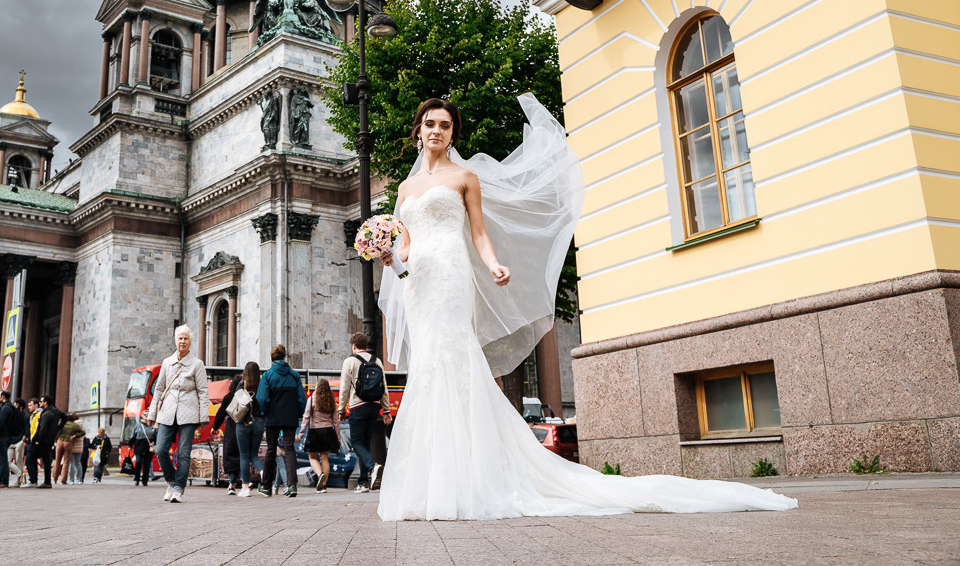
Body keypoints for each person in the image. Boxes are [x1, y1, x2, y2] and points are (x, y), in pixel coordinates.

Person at [374, 95, 798, 521]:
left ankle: (467, 481)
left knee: (454, 360)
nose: (436, 131)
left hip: (450, 275)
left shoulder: (465, 177)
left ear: (452, 134)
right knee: (428, 368)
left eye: (445, 125)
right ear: (418, 129)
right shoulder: (407, 190)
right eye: (430, 123)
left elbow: (480, 234)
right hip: (420, 286)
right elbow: (406, 247)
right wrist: (388, 257)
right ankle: (433, 484)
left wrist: (493, 264)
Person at [145, 324, 208, 504]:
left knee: (183, 453)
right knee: (160, 449)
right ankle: (171, 481)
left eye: (186, 339)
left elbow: (203, 391)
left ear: (190, 342)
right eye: (180, 338)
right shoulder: (167, 362)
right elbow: (159, 389)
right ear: (175, 340)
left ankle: (179, 488)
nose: (182, 342)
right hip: (167, 412)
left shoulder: (197, 364)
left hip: (189, 413)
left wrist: (203, 416)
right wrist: (152, 414)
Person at [338, 333, 388, 493]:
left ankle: (373, 466)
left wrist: (341, 409)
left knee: (357, 442)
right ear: (366, 345)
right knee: (365, 443)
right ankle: (363, 482)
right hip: (374, 406)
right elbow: (384, 387)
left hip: (357, 406)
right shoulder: (377, 361)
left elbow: (344, 387)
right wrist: (386, 409)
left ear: (353, 345)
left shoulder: (349, 361)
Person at [255, 344, 305, 498]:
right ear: (284, 358)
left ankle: (266, 486)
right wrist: (298, 413)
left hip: (272, 418)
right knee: (290, 449)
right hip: (290, 417)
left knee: (271, 450)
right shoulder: (294, 376)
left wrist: (264, 412)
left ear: (272, 359)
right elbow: (302, 399)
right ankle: (292, 485)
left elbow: (261, 398)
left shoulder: (268, 376)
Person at [300, 378, 340, 493]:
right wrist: (338, 438)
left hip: (315, 432)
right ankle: (323, 486)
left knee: (312, 457)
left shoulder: (312, 399)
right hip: (328, 431)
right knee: (325, 458)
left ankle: (320, 474)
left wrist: (301, 433)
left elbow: (306, 417)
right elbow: (336, 422)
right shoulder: (331, 401)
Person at [233, 362, 264, 498]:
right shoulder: (262, 384)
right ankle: (263, 473)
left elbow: (236, 401)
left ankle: (245, 487)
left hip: (243, 422)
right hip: (259, 421)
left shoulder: (241, 384)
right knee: (254, 454)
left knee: (244, 455)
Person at [32, 395, 66, 488]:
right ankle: (45, 481)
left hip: (43, 439)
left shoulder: (46, 413)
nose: (40, 403)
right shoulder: (56, 411)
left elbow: (42, 429)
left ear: (45, 403)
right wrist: (58, 428)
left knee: (38, 459)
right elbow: (65, 417)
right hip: (50, 438)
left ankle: (43, 482)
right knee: (46, 460)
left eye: (41, 401)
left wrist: (38, 439)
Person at [0, 391, 21, 488]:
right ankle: (2, 480)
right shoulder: (11, 407)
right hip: (8, 436)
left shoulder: (5, 408)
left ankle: (3, 481)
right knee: (3, 458)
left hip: (2, 436)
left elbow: (0, 423)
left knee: (2, 459)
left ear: (3, 397)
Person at [55, 412, 85, 485]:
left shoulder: (63, 424)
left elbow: (57, 432)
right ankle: (68, 480)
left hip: (64, 442)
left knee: (58, 461)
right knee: (70, 462)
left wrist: (56, 439)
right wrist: (74, 436)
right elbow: (83, 433)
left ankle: (56, 478)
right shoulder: (77, 426)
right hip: (71, 444)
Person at [22, 398, 41, 488]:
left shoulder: (38, 414)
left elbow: (36, 429)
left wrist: (32, 439)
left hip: (34, 441)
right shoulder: (33, 415)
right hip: (32, 440)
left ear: (36, 405)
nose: (29, 407)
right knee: (31, 460)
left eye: (31, 405)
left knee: (29, 460)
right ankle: (33, 480)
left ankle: (33, 480)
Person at [131, 417, 154, 487]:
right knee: (138, 462)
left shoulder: (153, 425)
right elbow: (133, 436)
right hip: (139, 447)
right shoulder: (138, 425)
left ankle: (145, 481)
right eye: (145, 414)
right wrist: (130, 445)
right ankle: (137, 479)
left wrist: (154, 442)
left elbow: (158, 436)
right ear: (142, 416)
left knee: (147, 465)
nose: (147, 416)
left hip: (149, 448)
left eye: (148, 414)